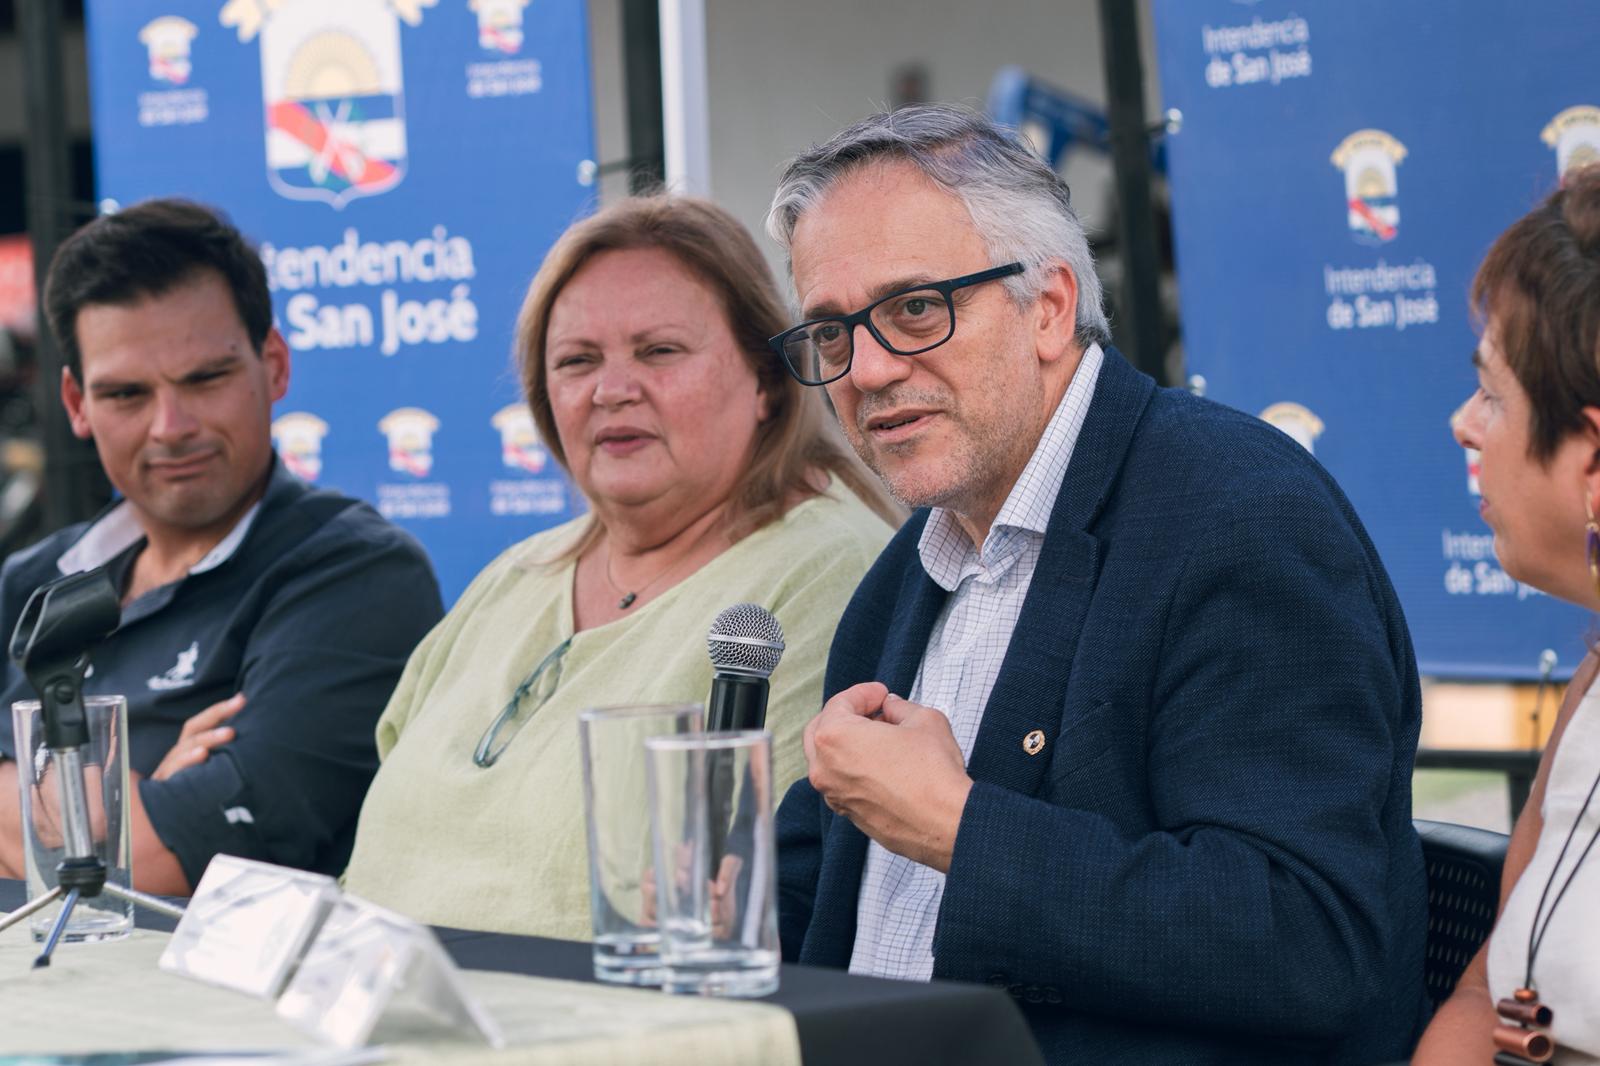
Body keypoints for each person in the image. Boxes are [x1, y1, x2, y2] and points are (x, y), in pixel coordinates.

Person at [767, 104, 1428, 1065]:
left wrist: (960, 827)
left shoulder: (1239, 516)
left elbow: (1307, 938)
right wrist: (715, 894)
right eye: (831, 333)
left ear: (1048, 307)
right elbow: (828, 894)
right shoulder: (910, 568)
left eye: (914, 309)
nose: (865, 370)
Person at [340, 195, 898, 938]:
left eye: (659, 351)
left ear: (766, 379)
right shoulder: (517, 574)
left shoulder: (832, 572)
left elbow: (769, 899)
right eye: (577, 361)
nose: (611, 390)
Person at [0, 199, 442, 895]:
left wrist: (74, 816)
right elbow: (128, 857)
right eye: (127, 394)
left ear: (275, 365)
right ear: (77, 404)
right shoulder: (29, 580)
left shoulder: (359, 575)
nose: (170, 426)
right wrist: (130, 807)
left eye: (204, 379)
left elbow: (166, 867)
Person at [1413, 167, 1600, 1063]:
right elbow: (1489, 993)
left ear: (1592, 462)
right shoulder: (1592, 681)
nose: (1464, 424)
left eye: (1493, 394)